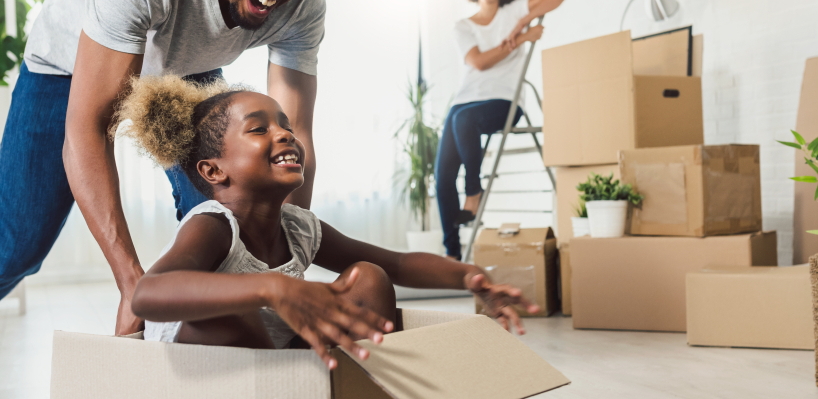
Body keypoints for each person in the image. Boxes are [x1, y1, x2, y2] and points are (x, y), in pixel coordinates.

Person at [0, 0, 324, 397]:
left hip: (190, 66)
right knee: (13, 248)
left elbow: (294, 137)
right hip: (69, 66)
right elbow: (86, 131)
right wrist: (131, 282)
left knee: (232, 220)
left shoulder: (301, 4)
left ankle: (223, 376)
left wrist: (284, 257)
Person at [118, 76, 537, 369]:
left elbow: (398, 265)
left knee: (368, 278)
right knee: (236, 312)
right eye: (259, 129)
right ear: (214, 172)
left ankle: (350, 384)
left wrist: (469, 276)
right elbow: (148, 294)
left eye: (284, 124)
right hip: (203, 360)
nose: (284, 134)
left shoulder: (298, 227)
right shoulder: (212, 225)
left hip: (279, 352)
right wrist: (273, 287)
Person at [434, 0, 564, 260]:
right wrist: (522, 38)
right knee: (443, 178)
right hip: (464, 102)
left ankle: (473, 192)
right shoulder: (463, 26)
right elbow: (479, 62)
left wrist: (522, 21)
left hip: (504, 100)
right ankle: (453, 255)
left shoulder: (514, 10)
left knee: (463, 120)